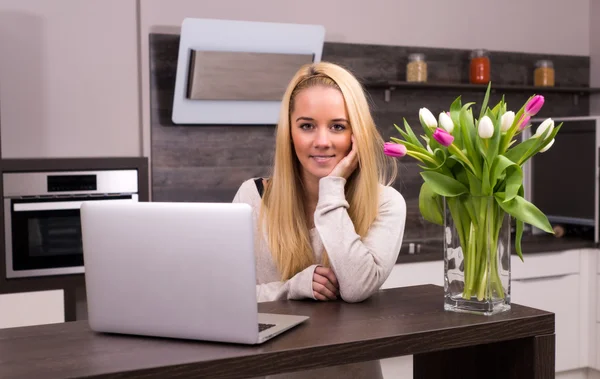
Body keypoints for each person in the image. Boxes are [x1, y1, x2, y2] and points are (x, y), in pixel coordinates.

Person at [232, 61, 406, 377]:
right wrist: (292, 287)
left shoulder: (387, 203)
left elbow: (356, 287)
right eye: (307, 125)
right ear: (289, 131)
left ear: (358, 134)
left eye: (338, 126)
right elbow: (228, 299)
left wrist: (332, 188)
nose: (322, 141)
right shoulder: (252, 199)